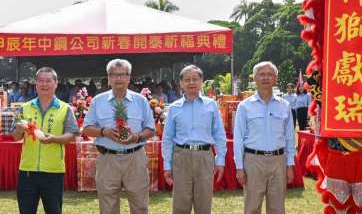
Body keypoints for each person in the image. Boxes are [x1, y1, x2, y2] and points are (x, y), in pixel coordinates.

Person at [83, 59, 155, 214]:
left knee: (140, 205)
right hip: (107, 158)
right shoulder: (98, 101)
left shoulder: (140, 101)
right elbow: (87, 128)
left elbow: (150, 129)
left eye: (123, 74)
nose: (119, 78)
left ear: (129, 77)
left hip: (135, 157)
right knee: (107, 207)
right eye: (114, 75)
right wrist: (104, 132)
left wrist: (137, 137)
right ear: (108, 78)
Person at [13, 67, 80, 214]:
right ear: (35, 84)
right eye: (41, 81)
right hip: (28, 170)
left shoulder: (65, 108)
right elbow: (16, 137)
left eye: (48, 81)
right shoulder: (25, 107)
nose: (44, 84)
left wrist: (54, 139)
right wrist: (19, 129)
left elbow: (73, 134)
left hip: (53, 171)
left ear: (55, 83)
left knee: (54, 211)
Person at [162, 65, 227, 214]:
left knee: (204, 203)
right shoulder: (174, 108)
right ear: (181, 83)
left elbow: (219, 134)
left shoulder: (211, 105)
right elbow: (167, 138)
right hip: (181, 156)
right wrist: (167, 164)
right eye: (187, 80)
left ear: (201, 81)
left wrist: (220, 160)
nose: (191, 82)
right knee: (180, 203)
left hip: (204, 156)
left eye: (195, 79)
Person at [233, 61, 295, 214]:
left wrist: (290, 165)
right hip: (253, 161)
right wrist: (239, 167)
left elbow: (290, 137)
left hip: (278, 161)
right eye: (262, 74)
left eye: (270, 74)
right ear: (255, 79)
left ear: (275, 79)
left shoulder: (284, 105)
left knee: (277, 208)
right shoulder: (245, 106)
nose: (266, 78)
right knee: (252, 207)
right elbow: (238, 138)